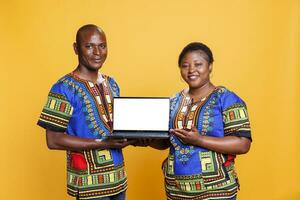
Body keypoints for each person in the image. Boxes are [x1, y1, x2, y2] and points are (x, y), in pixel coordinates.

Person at [37, 24, 134, 200]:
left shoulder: (112, 84)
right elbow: (53, 140)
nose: (97, 52)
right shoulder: (63, 88)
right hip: (89, 184)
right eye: (89, 46)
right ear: (76, 48)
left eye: (102, 46)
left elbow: (117, 128)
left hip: (119, 181)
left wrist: (139, 137)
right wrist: (104, 143)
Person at [150, 42, 252, 199]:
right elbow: (167, 142)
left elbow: (243, 144)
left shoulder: (226, 99)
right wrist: (141, 138)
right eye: (185, 65)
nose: (191, 70)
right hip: (176, 190)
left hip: (216, 190)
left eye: (198, 64)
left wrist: (199, 140)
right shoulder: (174, 101)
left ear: (210, 66)